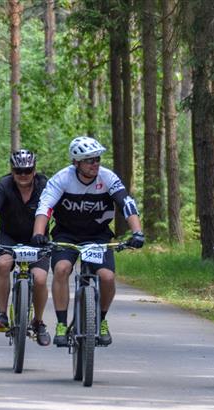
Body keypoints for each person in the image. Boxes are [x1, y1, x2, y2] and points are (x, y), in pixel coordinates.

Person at [31, 136, 144, 347]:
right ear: (76, 162)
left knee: (107, 277)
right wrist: (38, 233)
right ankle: (61, 324)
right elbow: (45, 206)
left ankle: (101, 320)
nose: (95, 164)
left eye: (97, 159)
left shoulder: (107, 177)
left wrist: (137, 232)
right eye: (89, 160)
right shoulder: (62, 178)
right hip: (67, 234)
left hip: (98, 235)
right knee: (62, 269)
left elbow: (126, 204)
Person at [0, 150, 51, 346]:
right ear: (12, 171)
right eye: (18, 171)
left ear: (34, 170)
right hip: (9, 236)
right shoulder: (4, 185)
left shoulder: (44, 185)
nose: (23, 175)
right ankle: (2, 314)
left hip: (37, 239)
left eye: (27, 170)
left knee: (40, 278)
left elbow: (58, 210)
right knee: (3, 264)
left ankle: (38, 322)